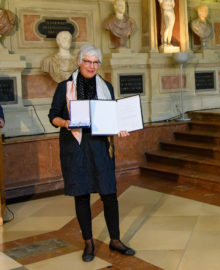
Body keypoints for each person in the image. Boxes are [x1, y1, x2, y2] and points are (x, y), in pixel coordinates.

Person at [48, 44, 135, 262]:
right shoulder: (64, 86)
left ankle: (115, 240)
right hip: (75, 147)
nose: (92, 66)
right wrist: (66, 123)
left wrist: (121, 127)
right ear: (79, 62)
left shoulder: (106, 86)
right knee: (82, 194)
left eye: (96, 62)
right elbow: (53, 116)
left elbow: (113, 116)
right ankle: (88, 242)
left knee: (109, 194)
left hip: (99, 146)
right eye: (87, 61)